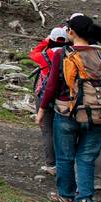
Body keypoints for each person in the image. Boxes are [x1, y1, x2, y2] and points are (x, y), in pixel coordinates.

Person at [38, 15, 101, 202]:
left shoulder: (64, 53)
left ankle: (66, 196)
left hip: (67, 111)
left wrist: (41, 109)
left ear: (72, 32)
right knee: (86, 158)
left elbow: (52, 85)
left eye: (67, 29)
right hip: (99, 114)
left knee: (65, 157)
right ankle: (85, 199)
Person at [30, 26, 73, 175]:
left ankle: (52, 165)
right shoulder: (70, 55)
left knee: (47, 131)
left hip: (44, 96)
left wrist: (45, 41)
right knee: (64, 131)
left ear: (52, 40)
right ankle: (67, 164)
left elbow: (33, 53)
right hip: (65, 97)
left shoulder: (45, 55)